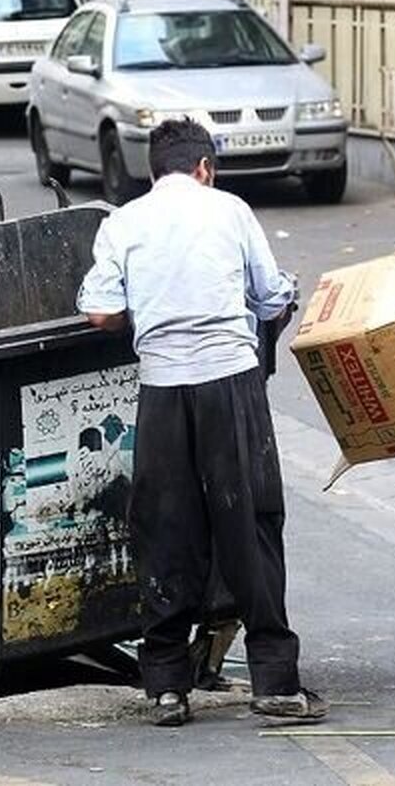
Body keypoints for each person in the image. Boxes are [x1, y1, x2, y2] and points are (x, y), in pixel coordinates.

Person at [77, 118, 326, 728]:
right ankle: (275, 684)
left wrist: (150, 314)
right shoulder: (230, 210)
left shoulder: (124, 221)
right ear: (205, 167)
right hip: (230, 386)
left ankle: (165, 686)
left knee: (167, 531)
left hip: (161, 391)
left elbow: (101, 311)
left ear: (154, 170)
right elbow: (272, 298)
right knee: (252, 526)